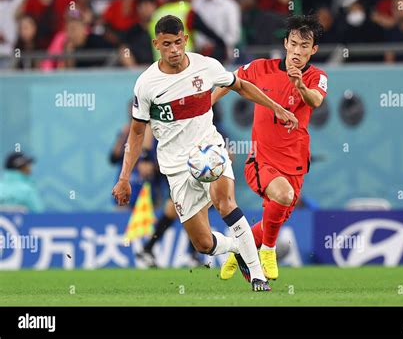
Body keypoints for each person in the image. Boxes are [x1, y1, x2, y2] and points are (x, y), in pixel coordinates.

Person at [111, 15, 298, 292]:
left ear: (185, 39)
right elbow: (137, 132)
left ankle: (258, 276)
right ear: (156, 45)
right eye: (166, 44)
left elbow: (241, 86)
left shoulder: (206, 66)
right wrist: (125, 176)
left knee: (225, 202)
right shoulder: (146, 84)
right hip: (175, 166)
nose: (174, 49)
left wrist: (277, 108)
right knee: (204, 244)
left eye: (178, 42)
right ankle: (236, 247)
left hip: (209, 151)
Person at [212, 15, 328, 281]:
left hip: (295, 161)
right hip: (262, 159)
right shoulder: (260, 68)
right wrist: (206, 106)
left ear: (313, 50)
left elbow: (316, 101)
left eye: (304, 46)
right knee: (283, 196)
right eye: (294, 44)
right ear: (286, 43)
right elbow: (230, 82)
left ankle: (239, 252)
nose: (298, 51)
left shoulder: (317, 76)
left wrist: (299, 84)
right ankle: (268, 250)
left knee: (274, 217)